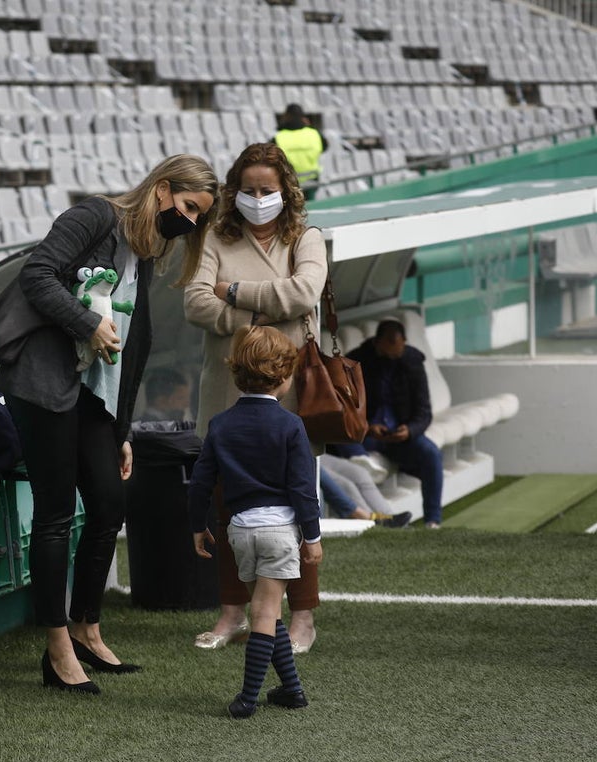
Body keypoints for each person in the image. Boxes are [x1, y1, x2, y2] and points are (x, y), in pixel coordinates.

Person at [0, 154, 218, 694]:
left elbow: (133, 348)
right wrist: (88, 323)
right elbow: (37, 275)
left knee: (109, 506)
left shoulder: (145, 251)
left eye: (198, 217)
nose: (188, 222)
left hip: (94, 396)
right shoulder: (94, 216)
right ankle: (57, 649)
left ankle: (86, 628)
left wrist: (122, 431)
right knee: (54, 514)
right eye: (188, 207)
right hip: (42, 384)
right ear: (161, 190)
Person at [182, 142, 328, 654]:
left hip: (292, 398)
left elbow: (304, 293)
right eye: (248, 190)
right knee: (227, 506)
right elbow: (195, 303)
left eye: (268, 189)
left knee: (299, 500)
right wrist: (263, 315)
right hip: (228, 396)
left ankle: (303, 617)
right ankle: (231, 613)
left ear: (286, 189)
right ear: (233, 191)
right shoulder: (213, 238)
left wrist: (232, 292)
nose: (259, 198)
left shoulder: (306, 238)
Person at [189, 325, 323, 719]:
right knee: (266, 613)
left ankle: (292, 690)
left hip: (240, 532)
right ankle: (247, 698)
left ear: (236, 374)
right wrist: (312, 536)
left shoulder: (220, 424)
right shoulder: (291, 425)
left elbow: (200, 482)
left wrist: (197, 525)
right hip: (280, 533)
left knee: (267, 612)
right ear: (284, 378)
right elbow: (302, 489)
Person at [330, 319, 444, 528]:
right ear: (377, 342)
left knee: (431, 454)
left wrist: (410, 430)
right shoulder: (356, 361)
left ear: (404, 342)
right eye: (389, 349)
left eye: (397, 349)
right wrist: (367, 427)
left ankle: (433, 521)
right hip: (367, 434)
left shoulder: (413, 363)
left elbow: (424, 412)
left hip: (399, 435)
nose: (394, 355)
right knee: (343, 433)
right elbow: (344, 408)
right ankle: (361, 461)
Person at [319, 453, 411, 527]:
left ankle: (390, 517)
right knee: (347, 486)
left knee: (361, 474)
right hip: (309, 459)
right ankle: (369, 521)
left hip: (316, 451)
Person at [273, 103, 327, 190]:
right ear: (303, 118)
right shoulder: (314, 133)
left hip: (291, 180)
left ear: (286, 117)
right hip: (312, 178)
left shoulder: (278, 137)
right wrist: (309, 127)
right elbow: (325, 147)